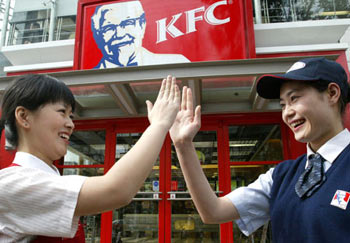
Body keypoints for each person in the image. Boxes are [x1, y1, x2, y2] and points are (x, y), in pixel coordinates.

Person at [169, 57, 350, 242]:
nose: (287, 112)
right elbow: (213, 211)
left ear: (332, 93)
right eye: (282, 105)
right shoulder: (281, 176)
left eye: (294, 99)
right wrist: (183, 145)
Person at [0, 73, 180, 242]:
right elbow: (115, 190)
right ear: (24, 117)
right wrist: (159, 124)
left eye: (71, 116)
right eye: (62, 112)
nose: (70, 124)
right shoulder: (13, 183)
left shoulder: (41, 180)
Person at [90, 0, 189, 69]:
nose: (120, 34)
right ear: (97, 35)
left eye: (127, 23)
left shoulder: (177, 63)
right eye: (109, 28)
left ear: (142, 25)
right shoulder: (89, 80)